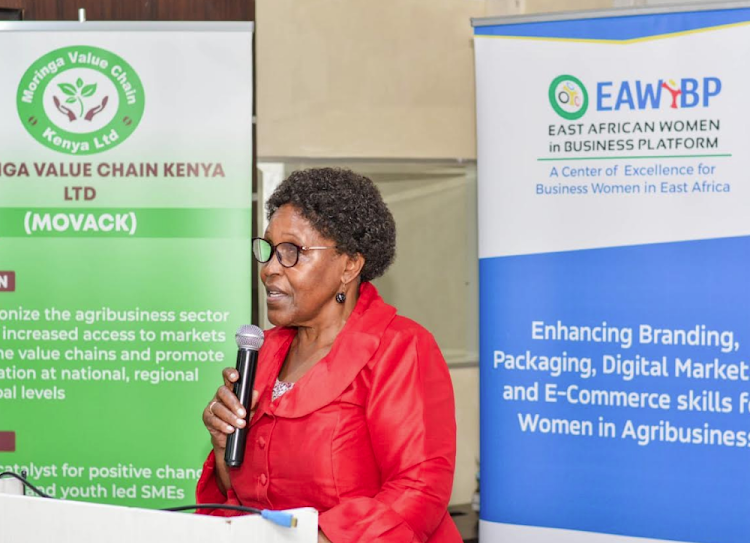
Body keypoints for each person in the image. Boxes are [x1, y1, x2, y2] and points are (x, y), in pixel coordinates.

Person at [196, 167, 461, 542]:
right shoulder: (263, 352)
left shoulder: (400, 348)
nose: (270, 268)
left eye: (293, 252)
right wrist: (224, 450)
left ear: (349, 265)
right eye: (269, 249)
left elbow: (418, 489)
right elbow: (241, 495)